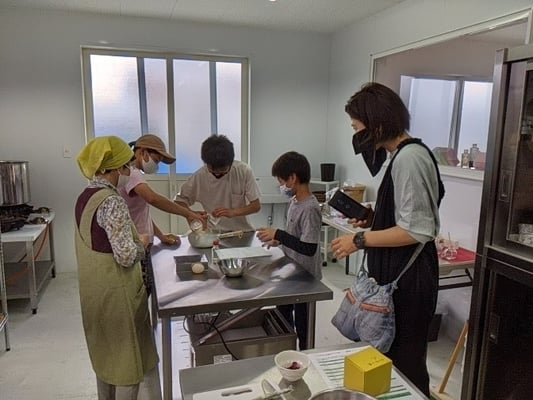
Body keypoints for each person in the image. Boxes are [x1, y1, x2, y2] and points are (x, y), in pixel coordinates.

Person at [330, 82, 445, 397]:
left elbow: (416, 230)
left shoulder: (410, 158)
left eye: (357, 127)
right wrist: (374, 218)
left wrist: (360, 239)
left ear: (377, 124)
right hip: (398, 277)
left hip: (409, 281)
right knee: (387, 359)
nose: (356, 135)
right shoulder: (402, 156)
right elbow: (406, 216)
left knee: (405, 365)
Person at [75, 136, 158, 400]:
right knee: (126, 365)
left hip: (94, 292)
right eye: (125, 166)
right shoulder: (111, 201)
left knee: (106, 359)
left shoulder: (85, 197)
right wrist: (142, 243)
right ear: (111, 168)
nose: (128, 172)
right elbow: (125, 255)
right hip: (116, 295)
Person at [119, 134, 205, 298]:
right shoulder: (131, 173)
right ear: (143, 152)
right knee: (139, 295)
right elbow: (153, 199)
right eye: (157, 160)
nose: (156, 166)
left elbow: (140, 215)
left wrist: (161, 236)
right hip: (135, 244)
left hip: (142, 241)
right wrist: (189, 213)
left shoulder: (132, 173)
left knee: (143, 292)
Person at [256, 151, 322, 350]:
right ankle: (287, 351)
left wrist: (280, 234)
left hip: (306, 278)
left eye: (281, 181)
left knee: (303, 325)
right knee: (283, 316)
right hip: (291, 271)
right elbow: (296, 237)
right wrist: (278, 240)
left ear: (293, 178)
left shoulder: (310, 208)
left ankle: (305, 355)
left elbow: (309, 248)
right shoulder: (294, 202)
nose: (281, 186)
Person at [173, 134, 261, 232]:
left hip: (241, 231)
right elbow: (179, 202)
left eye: (222, 170)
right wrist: (191, 214)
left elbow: (256, 206)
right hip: (212, 232)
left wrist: (233, 212)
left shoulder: (243, 171)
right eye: (212, 170)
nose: (217, 173)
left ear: (231, 162)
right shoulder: (199, 176)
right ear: (206, 163)